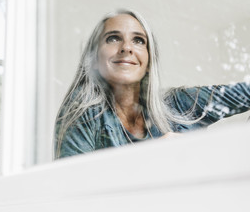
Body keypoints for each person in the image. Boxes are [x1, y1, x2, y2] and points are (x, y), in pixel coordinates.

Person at [54, 9, 250, 159]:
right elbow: (70, 191)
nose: (127, 48)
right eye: (113, 38)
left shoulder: (181, 103)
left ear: (148, 61)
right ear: (94, 58)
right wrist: (149, 159)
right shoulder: (83, 116)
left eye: (139, 41)